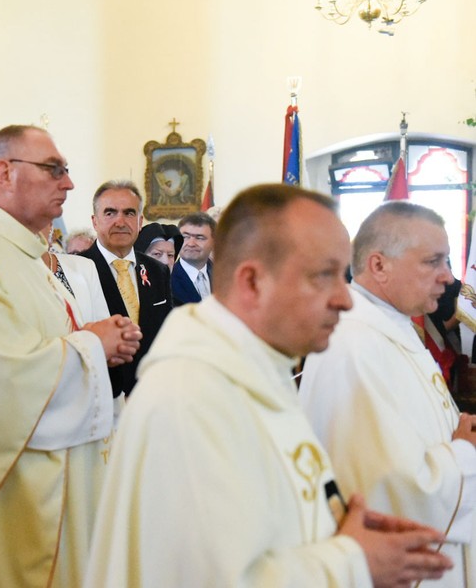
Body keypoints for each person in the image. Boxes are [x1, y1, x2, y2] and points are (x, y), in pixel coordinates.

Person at [84, 183, 454, 587]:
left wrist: (334, 529)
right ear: (253, 282)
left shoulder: (258, 372)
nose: (346, 299)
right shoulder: (192, 398)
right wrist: (353, 562)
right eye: (324, 275)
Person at [0, 125, 141, 587]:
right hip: (15, 496)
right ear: (4, 172)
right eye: (54, 170)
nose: (69, 184)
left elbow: (36, 343)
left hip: (55, 482)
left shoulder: (21, 254)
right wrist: (93, 345)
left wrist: (97, 342)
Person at [299, 200, 475, 587]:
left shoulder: (388, 325)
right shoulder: (354, 344)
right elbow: (386, 491)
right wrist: (465, 452)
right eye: (434, 261)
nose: (449, 278)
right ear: (379, 265)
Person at [81, 180, 172, 397]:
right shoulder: (77, 270)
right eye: (110, 213)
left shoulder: (158, 270)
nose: (120, 221)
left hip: (152, 394)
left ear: (140, 221)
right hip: (103, 396)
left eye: (129, 213)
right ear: (94, 221)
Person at [171, 211, 216, 306]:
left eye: (199, 238)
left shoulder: (223, 276)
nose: (191, 244)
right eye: (185, 237)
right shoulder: (167, 278)